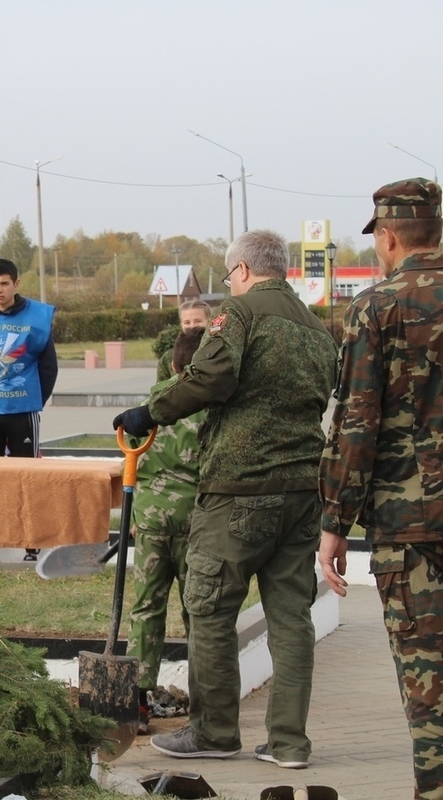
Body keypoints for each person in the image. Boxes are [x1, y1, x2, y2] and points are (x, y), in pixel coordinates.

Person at [113, 229, 335, 768]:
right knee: (291, 618)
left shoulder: (238, 315)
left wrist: (152, 411)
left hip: (237, 491)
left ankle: (214, 733)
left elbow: (211, 375)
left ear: (240, 271)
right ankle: (289, 743)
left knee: (209, 609)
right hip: (303, 492)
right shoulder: (317, 329)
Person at [319, 177, 443, 797]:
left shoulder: (376, 307)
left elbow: (357, 424)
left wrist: (334, 523)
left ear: (388, 237)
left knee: (430, 688)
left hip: (411, 527)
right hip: (412, 524)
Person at [127, 327, 204, 734]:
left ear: (173, 364)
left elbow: (130, 455)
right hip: (197, 525)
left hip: (152, 523)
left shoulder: (152, 405)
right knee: (200, 614)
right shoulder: (212, 408)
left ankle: (138, 703)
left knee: (146, 610)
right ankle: (205, 704)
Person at [0, 258, 58, 561]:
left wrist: (32, 401)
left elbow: (49, 367)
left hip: (23, 412)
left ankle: (31, 544)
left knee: (26, 477)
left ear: (16, 283)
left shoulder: (39, 317)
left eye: (5, 283)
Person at [156, 299, 211, 381]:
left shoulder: (217, 352)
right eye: (187, 323)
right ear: (181, 325)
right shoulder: (169, 358)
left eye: (198, 321)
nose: (192, 326)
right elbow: (160, 390)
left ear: (209, 322)